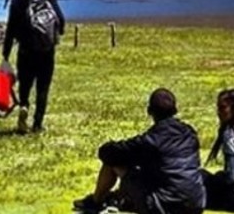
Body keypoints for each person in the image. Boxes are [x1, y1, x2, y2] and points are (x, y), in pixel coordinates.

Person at [73, 88, 205, 214]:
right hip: (196, 204)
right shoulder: (190, 134)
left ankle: (95, 202)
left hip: (165, 207)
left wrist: (106, 147)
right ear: (175, 110)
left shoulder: (150, 141)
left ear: (149, 111)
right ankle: (118, 198)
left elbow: (110, 153)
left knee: (113, 162)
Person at [1, 0, 65, 133]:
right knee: (43, 88)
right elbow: (61, 20)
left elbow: (11, 27)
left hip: (26, 50)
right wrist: (55, 36)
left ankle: (24, 106)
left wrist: (6, 53)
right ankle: (38, 124)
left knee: (25, 85)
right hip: (46, 52)